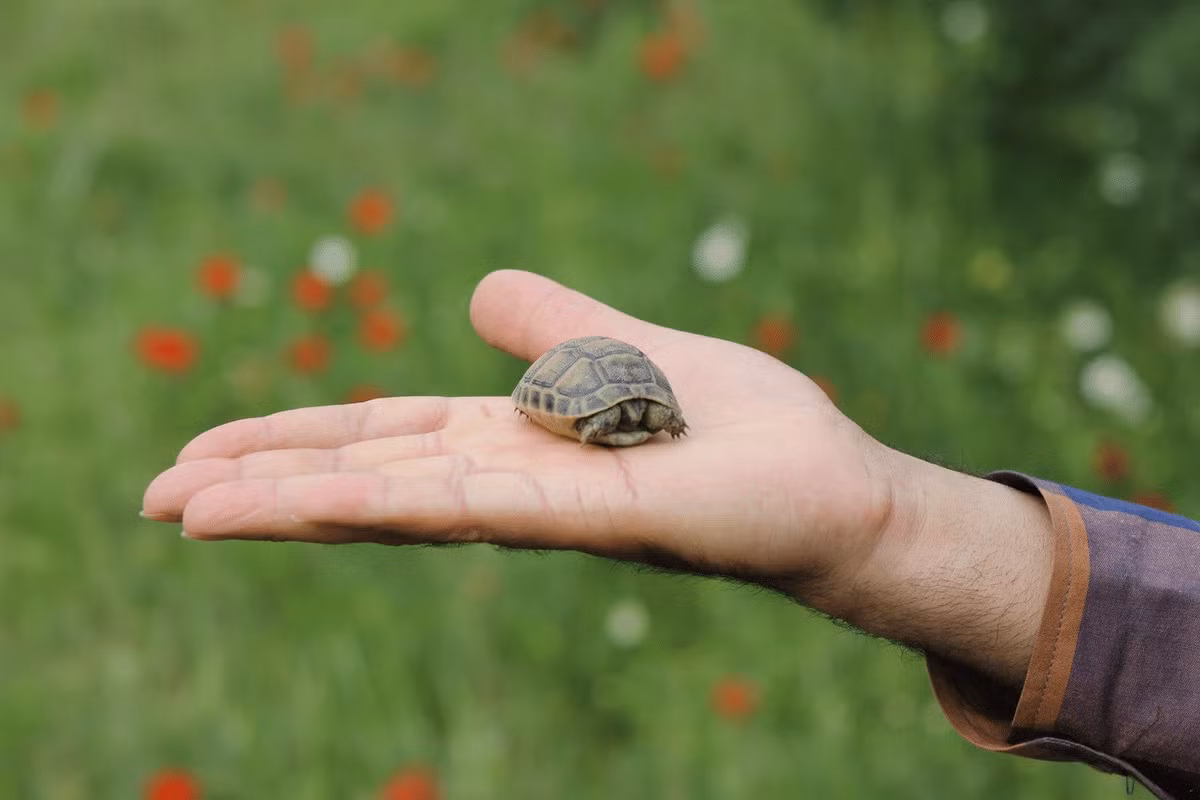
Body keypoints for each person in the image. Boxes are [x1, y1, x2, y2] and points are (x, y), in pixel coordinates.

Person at [141, 270, 1200, 798]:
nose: (642, 431)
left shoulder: (650, 416)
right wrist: (897, 521)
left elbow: (654, 417)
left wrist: (887, 520)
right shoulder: (587, 409)